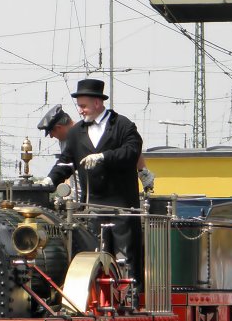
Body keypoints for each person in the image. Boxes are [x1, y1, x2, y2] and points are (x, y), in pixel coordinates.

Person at [36, 79, 143, 273]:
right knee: (95, 258)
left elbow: (132, 151)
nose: (80, 111)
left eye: (83, 106)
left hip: (122, 206)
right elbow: (66, 161)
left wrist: (103, 157)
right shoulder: (76, 132)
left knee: (124, 259)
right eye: (79, 107)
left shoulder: (123, 125)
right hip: (93, 207)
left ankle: (130, 298)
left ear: (97, 103)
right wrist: (50, 180)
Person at [38, 103, 154, 190]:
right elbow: (66, 164)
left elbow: (132, 148)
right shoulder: (64, 140)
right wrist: (50, 180)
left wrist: (142, 171)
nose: (52, 137)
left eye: (51, 133)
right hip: (81, 192)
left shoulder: (89, 132)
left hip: (105, 189)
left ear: (59, 127)